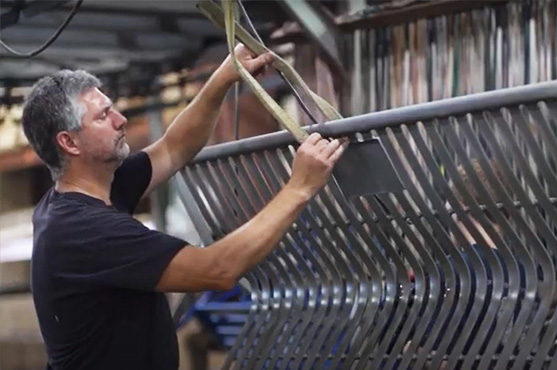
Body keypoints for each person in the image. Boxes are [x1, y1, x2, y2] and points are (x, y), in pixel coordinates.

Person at [23, 44, 347, 370]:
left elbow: (173, 148)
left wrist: (224, 77)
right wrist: (299, 188)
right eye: (103, 116)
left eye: (113, 109)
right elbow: (217, 270)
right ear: (69, 142)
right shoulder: (84, 231)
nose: (120, 120)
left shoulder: (95, 189)